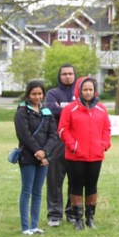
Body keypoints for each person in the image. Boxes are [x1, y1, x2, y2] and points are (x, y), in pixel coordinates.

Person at [58, 76, 111, 230]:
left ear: (94, 91)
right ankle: (78, 219)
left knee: (92, 186)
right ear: (79, 91)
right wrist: (73, 145)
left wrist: (104, 144)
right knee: (76, 186)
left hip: (95, 155)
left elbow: (107, 129)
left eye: (90, 90)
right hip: (75, 156)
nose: (88, 93)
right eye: (85, 90)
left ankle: (90, 218)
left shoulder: (101, 109)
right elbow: (62, 130)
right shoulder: (70, 109)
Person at [14, 79, 61, 235]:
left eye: (40, 93)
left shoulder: (47, 112)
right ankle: (25, 227)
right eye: (34, 93)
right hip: (28, 157)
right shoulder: (22, 111)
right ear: (28, 94)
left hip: (44, 158)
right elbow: (24, 135)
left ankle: (34, 225)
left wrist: (45, 152)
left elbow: (53, 135)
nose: (37, 97)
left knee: (38, 192)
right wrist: (37, 152)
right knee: (26, 191)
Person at [44, 64, 76, 227]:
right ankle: (54, 214)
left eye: (70, 73)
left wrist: (64, 110)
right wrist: (74, 111)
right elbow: (50, 109)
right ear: (59, 76)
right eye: (64, 74)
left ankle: (72, 212)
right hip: (57, 141)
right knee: (54, 180)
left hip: (76, 142)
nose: (68, 76)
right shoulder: (52, 93)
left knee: (75, 179)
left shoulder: (80, 92)